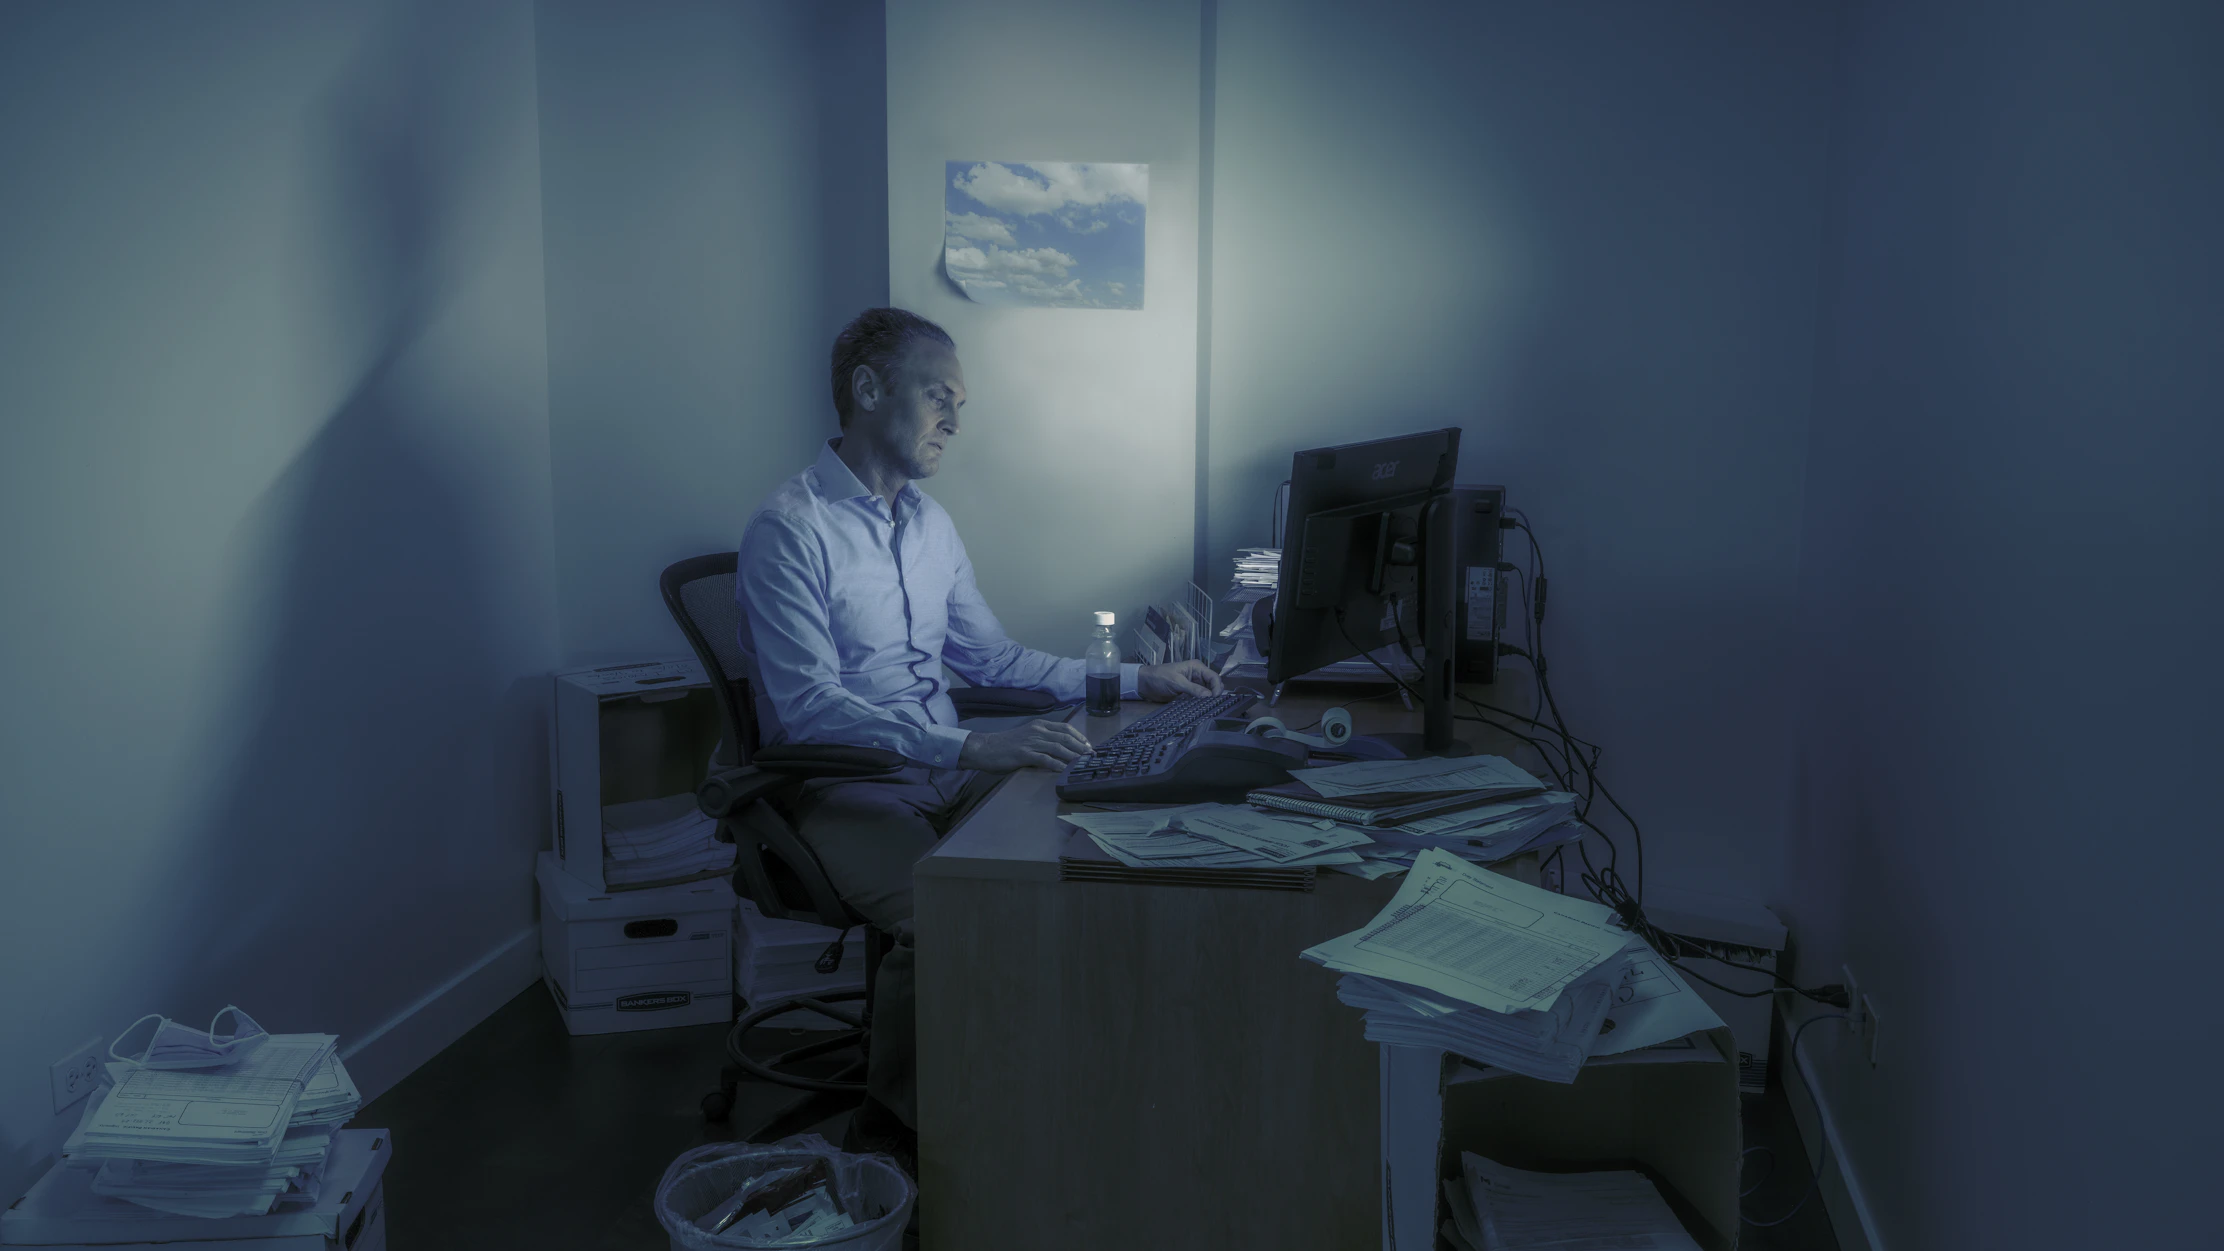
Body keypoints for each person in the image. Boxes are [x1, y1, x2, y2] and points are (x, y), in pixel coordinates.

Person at [734, 307, 1223, 1164]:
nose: (956, 420)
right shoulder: (789, 530)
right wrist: (966, 747)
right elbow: (810, 707)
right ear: (869, 388)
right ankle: (897, 1144)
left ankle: (1042, 1080)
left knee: (1089, 829)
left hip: (939, 766)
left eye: (961, 402)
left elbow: (992, 657)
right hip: (840, 782)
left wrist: (1135, 680)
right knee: (952, 913)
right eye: (940, 396)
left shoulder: (931, 526)